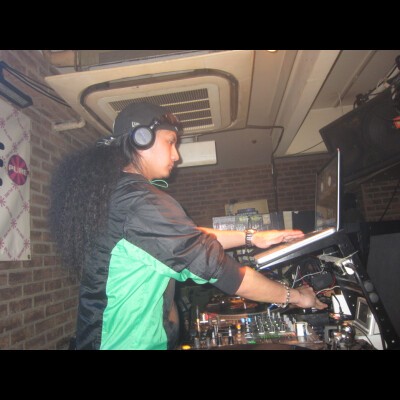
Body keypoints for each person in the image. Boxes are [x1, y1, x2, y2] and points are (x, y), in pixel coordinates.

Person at [49, 102, 327, 350]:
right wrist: (297, 297)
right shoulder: (140, 202)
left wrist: (253, 237)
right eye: (170, 142)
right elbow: (229, 275)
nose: (176, 156)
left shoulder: (123, 195)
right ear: (141, 139)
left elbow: (187, 239)